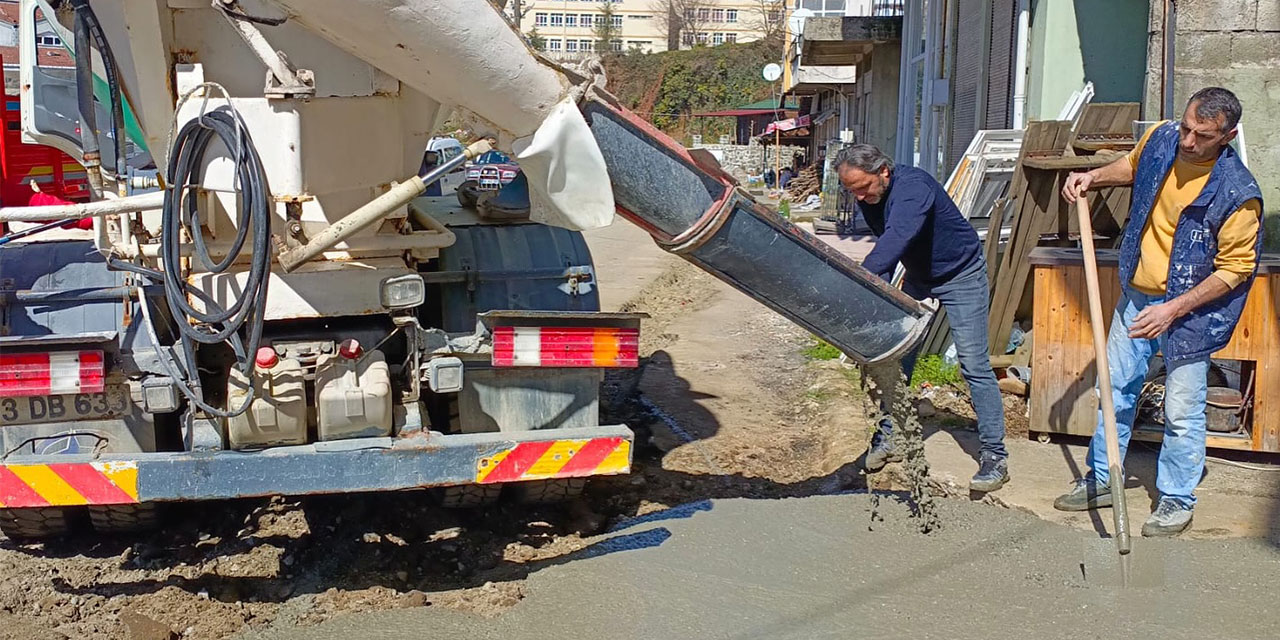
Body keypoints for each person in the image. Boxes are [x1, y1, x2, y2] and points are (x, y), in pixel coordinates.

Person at [1054, 87, 1262, 537]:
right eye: (1186, 127)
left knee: (1183, 408)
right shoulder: (1163, 138)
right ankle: (1103, 477)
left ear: (1228, 136)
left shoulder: (1238, 194)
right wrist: (1093, 177)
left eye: (1202, 135)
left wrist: (1173, 309)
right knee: (1114, 388)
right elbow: (1133, 166)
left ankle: (1176, 499)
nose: (1188, 141)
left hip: (1191, 312)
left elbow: (1236, 270)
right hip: (1138, 295)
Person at [836, 144, 1008, 492]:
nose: (858, 196)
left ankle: (995, 456)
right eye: (851, 190)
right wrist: (876, 297)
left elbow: (897, 237)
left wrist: (860, 279)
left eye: (862, 187)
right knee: (897, 357)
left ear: (883, 171)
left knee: (974, 363)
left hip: (961, 273)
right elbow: (887, 248)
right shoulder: (870, 198)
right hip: (919, 276)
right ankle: (890, 437)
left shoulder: (914, 189)